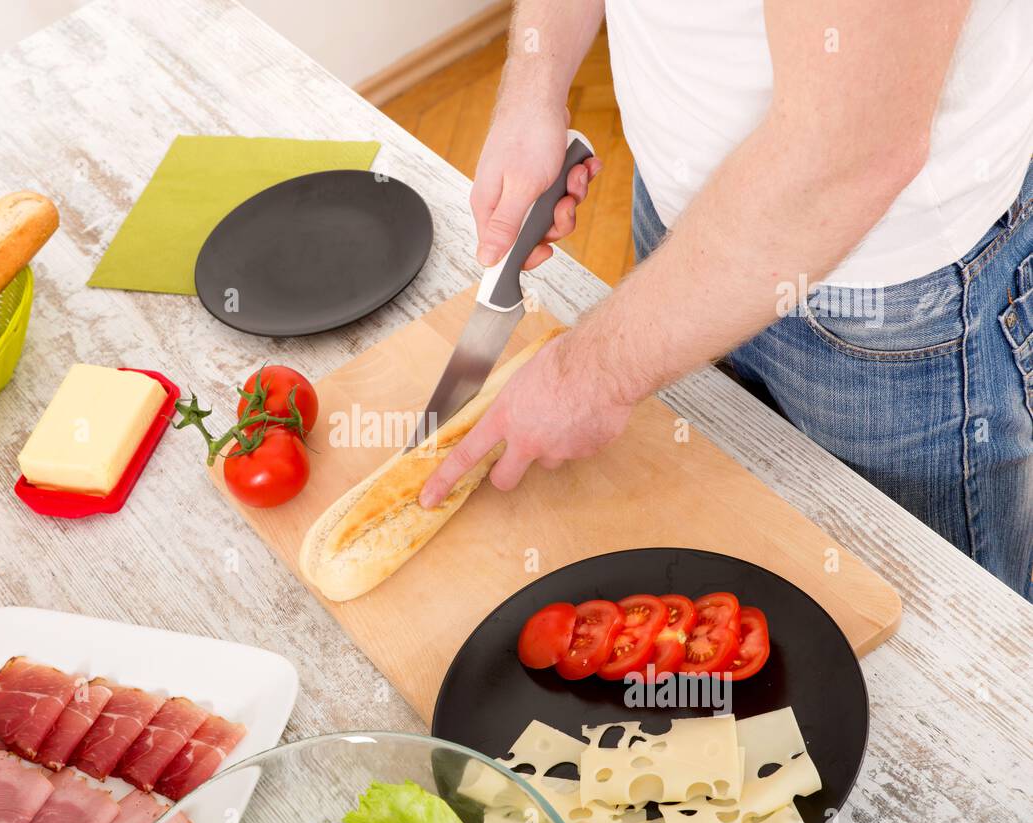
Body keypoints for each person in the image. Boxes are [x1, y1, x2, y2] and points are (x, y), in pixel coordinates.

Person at [418, 0, 1033, 602]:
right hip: (682, 240)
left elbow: (847, 156)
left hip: (892, 309)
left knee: (938, 624)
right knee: (746, 546)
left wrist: (589, 376)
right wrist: (535, 89)